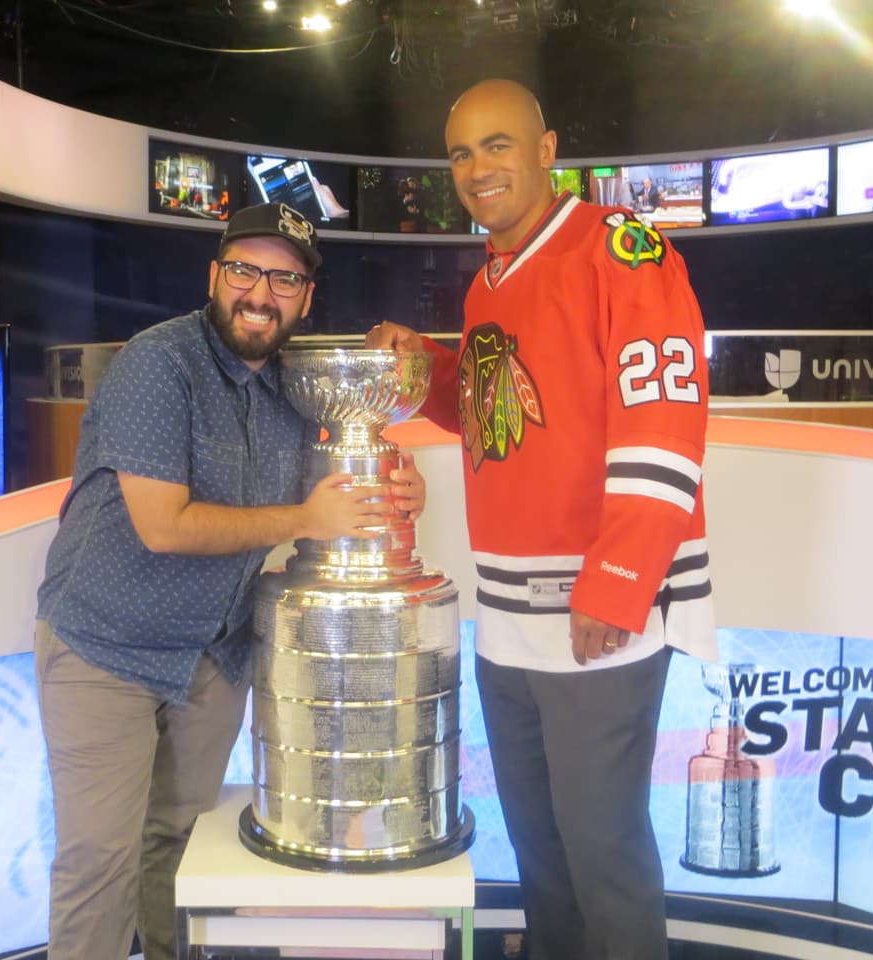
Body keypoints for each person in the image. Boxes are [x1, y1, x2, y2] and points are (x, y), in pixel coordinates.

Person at [368, 79, 717, 960]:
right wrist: (428, 374)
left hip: (598, 615)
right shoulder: (489, 282)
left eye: (497, 145)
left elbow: (667, 420)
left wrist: (622, 578)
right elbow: (503, 417)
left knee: (604, 856)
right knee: (542, 859)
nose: (477, 168)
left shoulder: (622, 250)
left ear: (546, 148)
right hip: (510, 619)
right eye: (459, 153)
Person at [34, 201, 426, 960]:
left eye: (284, 278)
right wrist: (304, 520)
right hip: (104, 650)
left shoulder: (293, 383)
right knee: (99, 865)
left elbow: (341, 473)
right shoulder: (158, 362)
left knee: (178, 850)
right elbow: (165, 525)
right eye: (245, 269)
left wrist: (402, 488)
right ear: (215, 276)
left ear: (307, 297)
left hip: (211, 658)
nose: (261, 292)